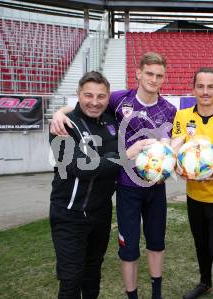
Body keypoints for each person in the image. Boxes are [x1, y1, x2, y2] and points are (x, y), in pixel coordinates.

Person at [50, 52, 177, 299]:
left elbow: (168, 144)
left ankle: (156, 294)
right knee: (80, 273)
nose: (153, 79)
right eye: (149, 73)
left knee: (99, 269)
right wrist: (59, 112)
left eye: (159, 75)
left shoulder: (165, 110)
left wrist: (166, 163)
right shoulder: (116, 101)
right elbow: (85, 107)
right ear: (138, 73)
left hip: (131, 196)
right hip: (103, 197)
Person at [171, 67, 213, 299]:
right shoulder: (182, 116)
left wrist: (210, 168)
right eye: (200, 86)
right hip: (195, 198)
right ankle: (205, 283)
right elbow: (176, 146)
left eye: (210, 86)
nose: (205, 91)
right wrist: (179, 166)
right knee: (201, 247)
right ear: (193, 89)